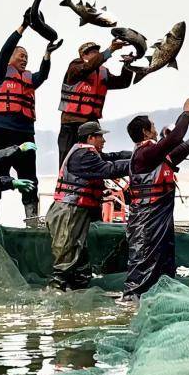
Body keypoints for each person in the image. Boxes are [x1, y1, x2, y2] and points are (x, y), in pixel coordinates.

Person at [122, 97, 189, 302]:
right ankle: (132, 299)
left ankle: (155, 297)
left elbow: (175, 155)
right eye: (152, 126)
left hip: (158, 217)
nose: (155, 128)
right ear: (145, 132)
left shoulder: (151, 154)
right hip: (147, 220)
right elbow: (173, 140)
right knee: (145, 260)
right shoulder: (145, 153)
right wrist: (186, 112)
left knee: (162, 259)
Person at [0, 11, 62, 224]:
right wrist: (23, 27)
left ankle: (32, 220)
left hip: (26, 137)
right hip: (2, 134)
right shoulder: (0, 72)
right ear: (10, 58)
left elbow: (43, 75)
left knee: (29, 179)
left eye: (27, 56)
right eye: (21, 55)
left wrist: (47, 54)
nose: (25, 58)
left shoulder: (29, 80)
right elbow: (6, 49)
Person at [47, 121, 132, 290]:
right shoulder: (83, 155)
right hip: (69, 211)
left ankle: (77, 289)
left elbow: (114, 156)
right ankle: (54, 294)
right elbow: (108, 169)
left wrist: (141, 154)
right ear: (91, 138)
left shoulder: (87, 153)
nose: (104, 141)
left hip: (76, 210)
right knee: (66, 254)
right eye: (101, 136)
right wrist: (139, 164)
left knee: (79, 260)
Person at [57, 39, 131, 167]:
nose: (96, 53)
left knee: (96, 156)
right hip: (71, 123)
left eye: (97, 51)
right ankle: (64, 183)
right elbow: (88, 67)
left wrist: (128, 65)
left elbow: (123, 83)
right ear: (83, 55)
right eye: (91, 52)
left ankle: (95, 183)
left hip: (91, 123)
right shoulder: (75, 67)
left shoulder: (103, 72)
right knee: (67, 159)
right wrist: (110, 50)